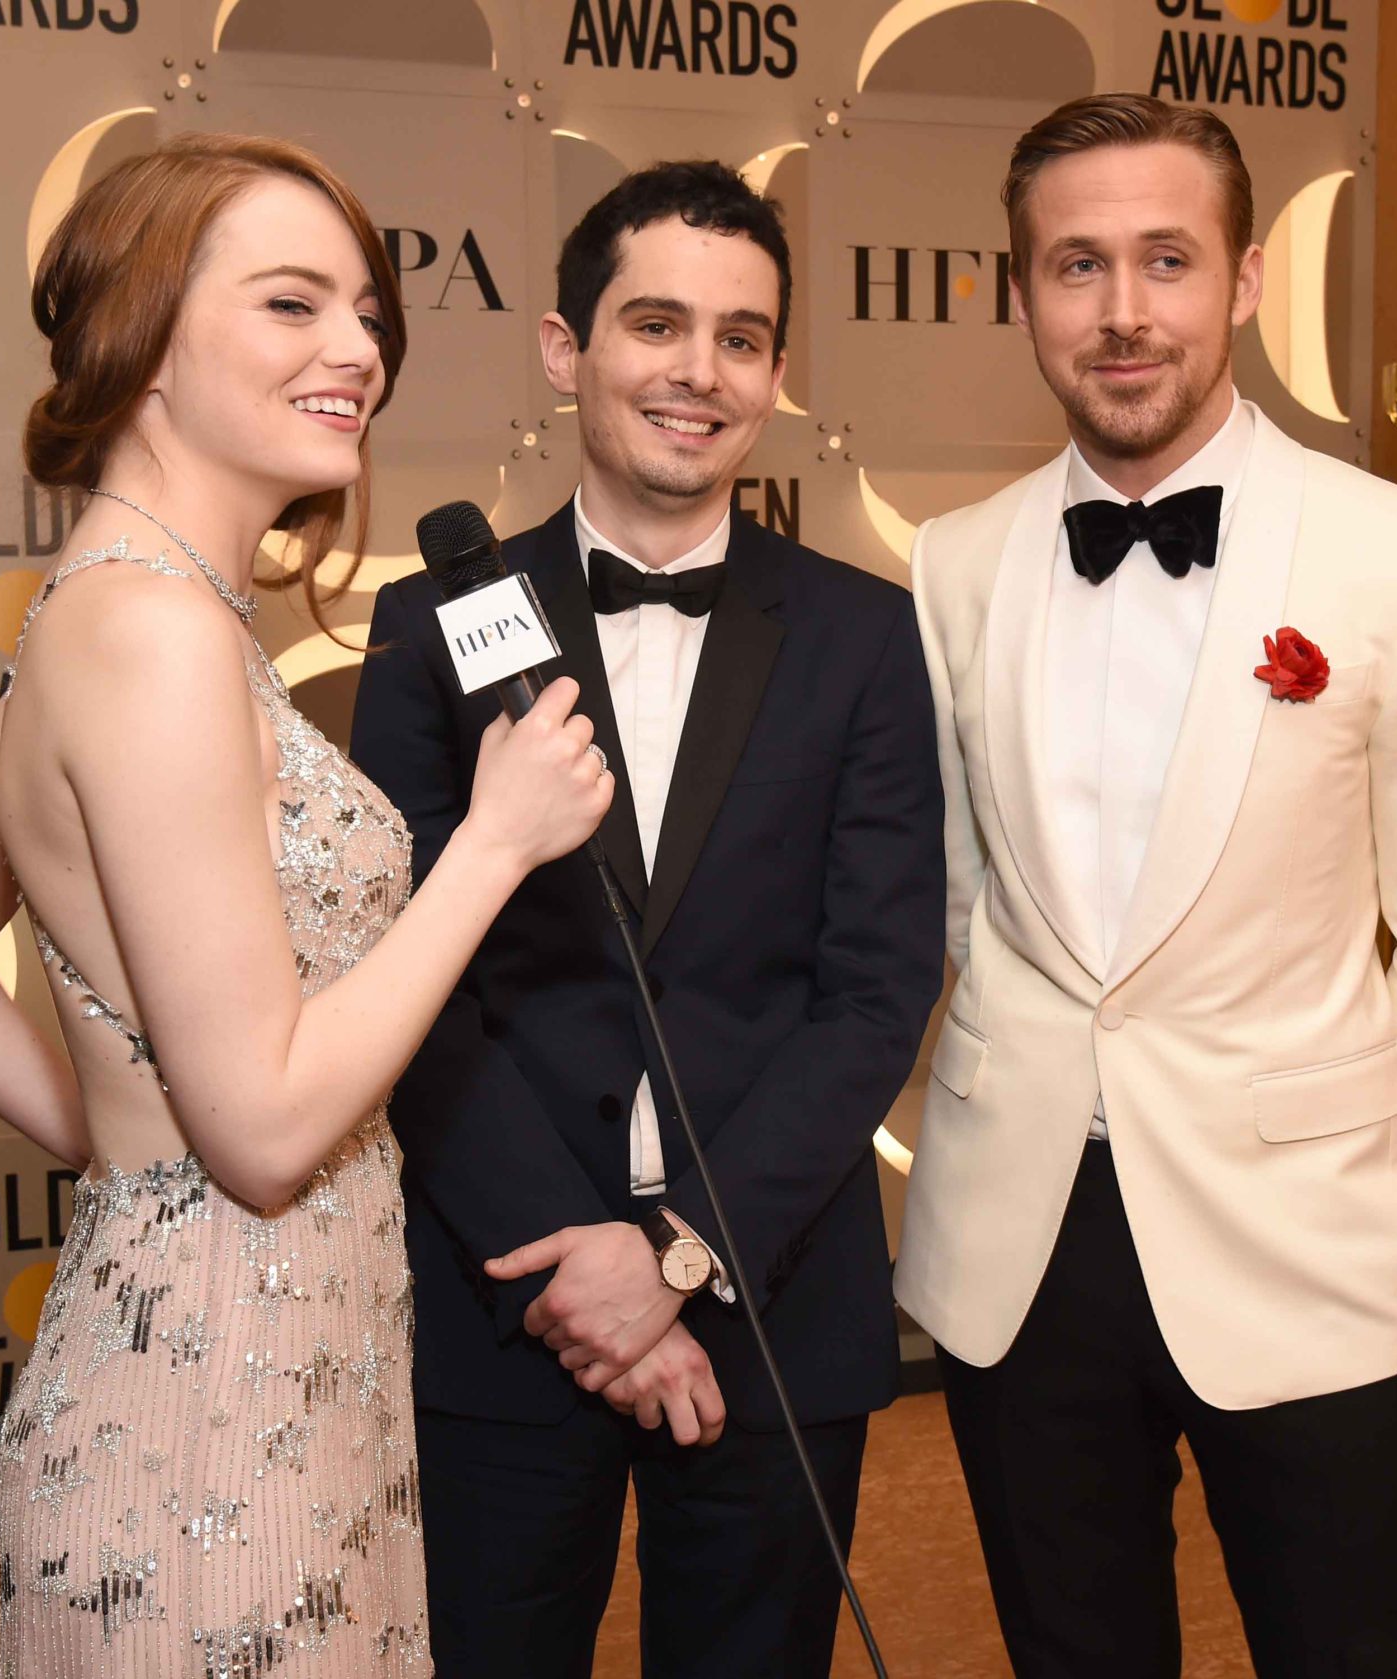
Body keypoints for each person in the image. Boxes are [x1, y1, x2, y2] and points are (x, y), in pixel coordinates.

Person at [0, 133, 613, 1677]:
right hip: (217, 1427)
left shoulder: (120, 605)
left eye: (365, 313)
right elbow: (264, 1138)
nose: (358, 350)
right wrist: (492, 845)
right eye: (292, 304)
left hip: (246, 1363)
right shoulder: (150, 635)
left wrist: (118, 1133)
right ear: (141, 335)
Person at [894, 94, 1397, 1677]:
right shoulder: (953, 562)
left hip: (1298, 1226)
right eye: (1077, 267)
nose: (1124, 314)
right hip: (1020, 1236)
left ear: (1246, 282)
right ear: (1021, 292)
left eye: (1167, 261)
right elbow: (966, 903)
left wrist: (1374, 1170)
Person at [349, 160, 942, 1679]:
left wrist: (675, 1253)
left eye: (741, 338)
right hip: (505, 1301)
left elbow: (875, 990)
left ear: (777, 376)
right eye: (657, 324)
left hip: (770, 1297)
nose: (698, 372)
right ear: (566, 350)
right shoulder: (433, 625)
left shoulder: (869, 635)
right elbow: (413, 982)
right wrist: (578, 1275)